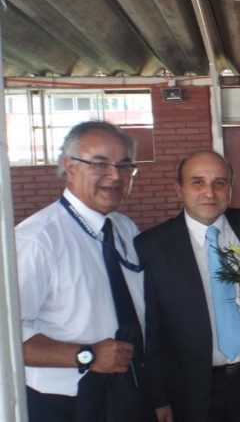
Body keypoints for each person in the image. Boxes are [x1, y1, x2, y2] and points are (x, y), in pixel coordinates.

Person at [16, 121, 145, 422]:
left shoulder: (125, 229)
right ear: (70, 167)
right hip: (63, 404)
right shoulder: (37, 240)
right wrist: (86, 355)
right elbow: (6, 338)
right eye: (100, 164)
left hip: (125, 394)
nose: (115, 176)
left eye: (124, 166)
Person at [134, 151, 240, 422]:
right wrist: (158, 397)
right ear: (179, 189)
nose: (210, 192)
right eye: (197, 182)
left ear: (230, 189)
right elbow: (150, 331)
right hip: (189, 390)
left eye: (219, 182)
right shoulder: (152, 246)